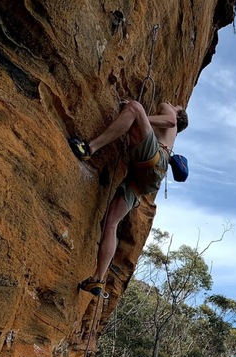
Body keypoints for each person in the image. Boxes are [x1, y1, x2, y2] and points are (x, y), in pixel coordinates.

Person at [68, 100, 188, 296]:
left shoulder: (169, 109)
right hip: (148, 177)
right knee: (111, 223)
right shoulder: (171, 137)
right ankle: (97, 279)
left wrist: (139, 119)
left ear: (179, 113)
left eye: (178, 106)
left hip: (154, 159)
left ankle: (89, 148)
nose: (174, 103)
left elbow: (170, 121)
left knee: (134, 108)